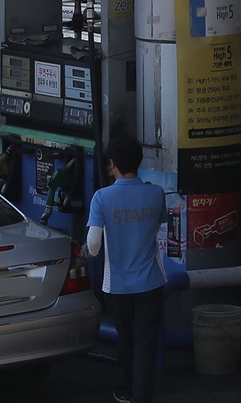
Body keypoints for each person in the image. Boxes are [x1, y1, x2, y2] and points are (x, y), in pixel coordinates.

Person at [83, 136, 167, 403]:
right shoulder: (156, 193)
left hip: (116, 286)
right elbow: (159, 226)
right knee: (145, 342)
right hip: (151, 283)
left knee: (126, 341)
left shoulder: (102, 197)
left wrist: (90, 254)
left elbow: (93, 243)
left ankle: (130, 391)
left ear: (113, 165)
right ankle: (141, 395)